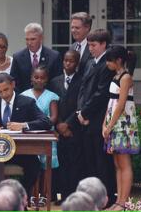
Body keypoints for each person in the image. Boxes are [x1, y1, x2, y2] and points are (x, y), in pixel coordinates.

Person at [0, 72, 52, 196]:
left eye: (6, 90)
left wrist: (23, 125)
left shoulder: (27, 102)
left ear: (13, 85)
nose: (4, 94)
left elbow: (46, 122)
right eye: (0, 92)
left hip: (22, 152)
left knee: (34, 166)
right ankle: (1, 197)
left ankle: (22, 197)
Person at [74, 29, 116, 206]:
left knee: (101, 162)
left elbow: (101, 94)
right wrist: (79, 111)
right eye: (89, 45)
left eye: (93, 45)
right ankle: (92, 197)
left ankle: (106, 199)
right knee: (89, 160)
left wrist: (85, 113)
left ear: (104, 44)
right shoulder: (91, 62)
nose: (90, 48)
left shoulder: (107, 65)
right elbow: (82, 89)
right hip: (85, 117)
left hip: (98, 119)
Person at [102, 45, 140, 211]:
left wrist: (110, 125)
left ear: (118, 60)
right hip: (112, 123)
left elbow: (121, 103)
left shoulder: (125, 77)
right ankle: (118, 201)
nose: (107, 64)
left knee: (124, 163)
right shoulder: (116, 76)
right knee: (117, 163)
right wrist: (104, 123)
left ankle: (123, 202)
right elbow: (111, 103)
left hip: (123, 124)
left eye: (109, 61)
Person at [21, 66, 59, 204]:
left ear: (46, 80)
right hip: (28, 137)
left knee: (45, 167)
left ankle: (44, 195)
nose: (39, 80)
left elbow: (53, 118)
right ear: (31, 78)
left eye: (42, 78)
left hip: (47, 136)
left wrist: (41, 124)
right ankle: (31, 195)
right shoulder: (24, 95)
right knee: (31, 166)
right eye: (36, 77)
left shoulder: (51, 96)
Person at [49, 50, 84, 201]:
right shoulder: (54, 81)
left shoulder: (82, 80)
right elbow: (53, 104)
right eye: (66, 60)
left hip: (74, 128)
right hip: (59, 129)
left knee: (74, 164)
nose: (68, 63)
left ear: (77, 64)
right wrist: (59, 125)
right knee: (61, 164)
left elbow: (81, 104)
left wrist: (68, 124)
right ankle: (63, 196)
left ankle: (73, 196)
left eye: (72, 61)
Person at [10, 22, 62, 93]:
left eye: (33, 39)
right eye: (27, 39)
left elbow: (58, 82)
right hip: (25, 99)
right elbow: (14, 82)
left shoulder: (54, 56)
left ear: (41, 38)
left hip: (48, 99)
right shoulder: (17, 57)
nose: (29, 43)